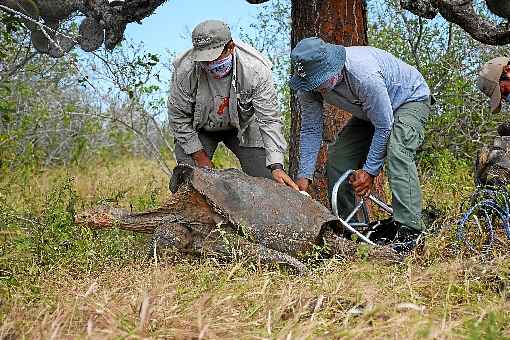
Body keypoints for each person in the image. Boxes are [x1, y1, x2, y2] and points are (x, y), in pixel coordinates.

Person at [289, 37, 432, 252]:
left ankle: (411, 231)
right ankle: (351, 229)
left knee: (397, 150)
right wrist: (304, 176)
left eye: (319, 81)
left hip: (409, 100)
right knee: (338, 158)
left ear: (333, 67)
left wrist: (370, 171)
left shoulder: (363, 75)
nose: (317, 88)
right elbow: (311, 129)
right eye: (312, 83)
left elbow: (384, 126)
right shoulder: (307, 85)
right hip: (371, 112)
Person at [168, 20, 297, 190]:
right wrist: (200, 158)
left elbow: (269, 120)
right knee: (188, 181)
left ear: (230, 47)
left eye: (213, 58)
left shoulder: (256, 70)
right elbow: (178, 118)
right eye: (204, 60)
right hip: (199, 128)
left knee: (270, 182)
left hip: (243, 127)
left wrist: (276, 165)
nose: (209, 65)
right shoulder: (185, 70)